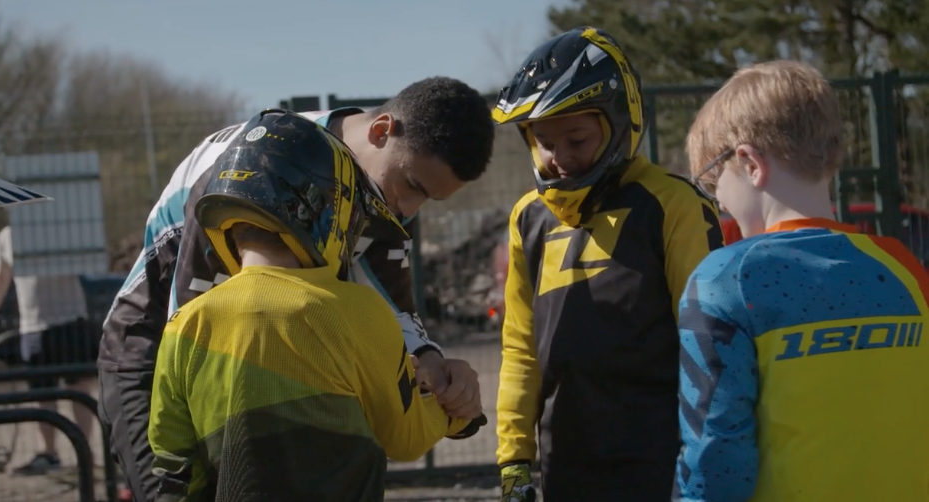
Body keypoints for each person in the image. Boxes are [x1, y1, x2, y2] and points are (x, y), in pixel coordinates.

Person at [99, 76, 494, 501]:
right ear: (382, 131)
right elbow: (196, 322)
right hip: (155, 346)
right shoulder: (255, 160)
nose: (410, 211)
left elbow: (395, 310)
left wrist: (432, 364)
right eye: (414, 186)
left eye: (430, 200)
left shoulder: (382, 191)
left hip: (242, 342)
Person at [675, 60, 929, 502]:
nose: (719, 205)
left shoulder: (726, 279)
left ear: (749, 163)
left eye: (714, 185)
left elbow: (715, 457)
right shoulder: (904, 267)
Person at [492, 26, 724, 502]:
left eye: (577, 138)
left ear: (621, 122)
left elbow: (709, 346)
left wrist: (708, 460)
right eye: (543, 141)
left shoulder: (673, 205)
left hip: (661, 464)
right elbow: (520, 348)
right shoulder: (527, 219)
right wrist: (514, 459)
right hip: (566, 466)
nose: (560, 158)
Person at [0, 222, 99, 475]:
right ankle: (47, 454)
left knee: (79, 389)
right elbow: (1, 277)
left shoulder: (57, 227)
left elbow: (86, 261)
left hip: (70, 320)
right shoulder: (8, 236)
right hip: (33, 326)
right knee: (42, 393)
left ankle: (86, 453)